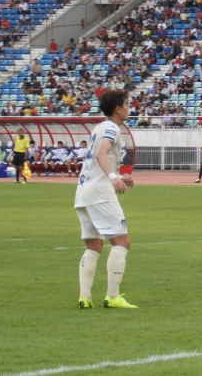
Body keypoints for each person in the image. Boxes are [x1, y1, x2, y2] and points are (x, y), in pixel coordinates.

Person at [74, 90, 137, 309]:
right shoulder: (112, 128)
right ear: (118, 109)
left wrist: (119, 176)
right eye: (127, 104)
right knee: (122, 241)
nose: (129, 108)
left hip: (84, 191)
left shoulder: (99, 127)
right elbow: (102, 154)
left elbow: (96, 160)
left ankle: (85, 297)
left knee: (93, 245)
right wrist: (113, 178)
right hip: (100, 192)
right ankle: (112, 296)